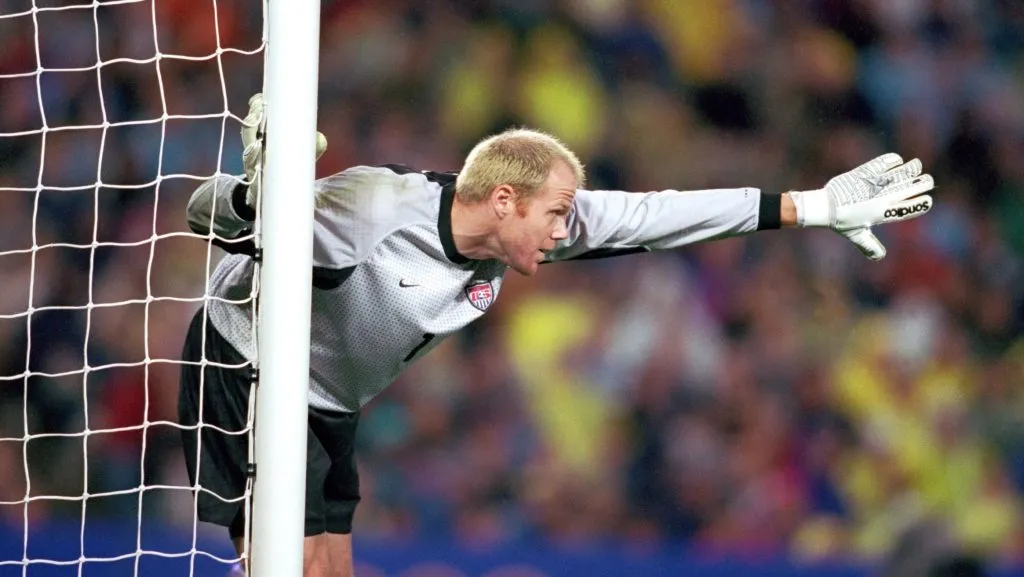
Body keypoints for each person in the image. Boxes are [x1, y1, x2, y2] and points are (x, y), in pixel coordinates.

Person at [178, 94, 935, 577]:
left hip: (329, 395)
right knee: (284, 561)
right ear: (504, 200)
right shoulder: (374, 208)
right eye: (556, 212)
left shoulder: (523, 230)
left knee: (331, 564)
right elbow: (205, 216)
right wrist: (255, 192)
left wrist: (810, 205)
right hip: (244, 362)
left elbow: (658, 215)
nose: (567, 229)